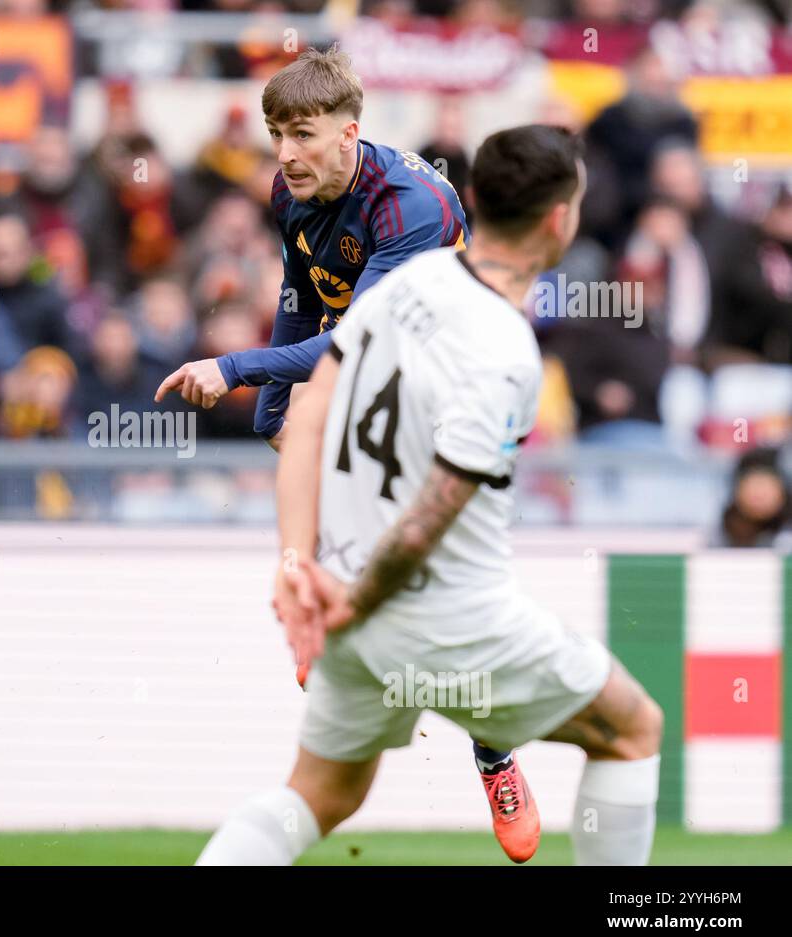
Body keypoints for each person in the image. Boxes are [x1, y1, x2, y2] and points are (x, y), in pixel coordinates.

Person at [196, 126, 664, 867]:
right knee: (634, 730)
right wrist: (357, 600)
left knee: (315, 798)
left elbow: (308, 413)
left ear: (472, 199)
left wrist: (299, 568)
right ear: (561, 220)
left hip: (345, 597)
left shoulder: (407, 283)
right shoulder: (508, 351)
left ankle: (490, 752)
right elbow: (425, 524)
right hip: (433, 610)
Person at [155, 46, 469, 449]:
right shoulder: (290, 190)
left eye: (302, 134)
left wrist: (233, 368)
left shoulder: (408, 206)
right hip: (377, 372)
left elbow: (359, 340)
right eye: (275, 133)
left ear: (348, 135)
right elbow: (300, 299)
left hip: (447, 384)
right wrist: (269, 413)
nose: (285, 155)